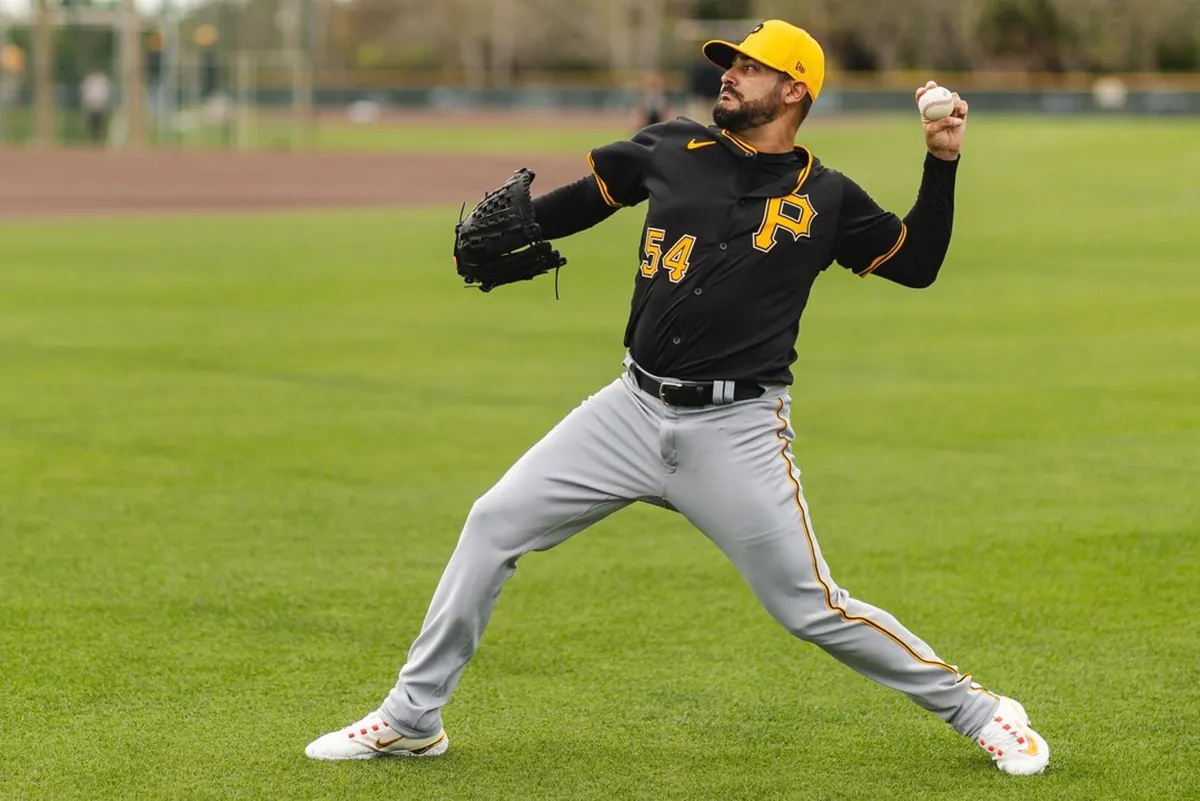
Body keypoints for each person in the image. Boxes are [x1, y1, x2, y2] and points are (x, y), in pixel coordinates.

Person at [305, 19, 1051, 776]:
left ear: (795, 90)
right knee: (492, 522)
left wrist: (943, 160)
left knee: (810, 605)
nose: (728, 74)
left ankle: (981, 711)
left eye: (750, 67)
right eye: (727, 63)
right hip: (628, 411)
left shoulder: (828, 198)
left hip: (738, 432)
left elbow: (916, 263)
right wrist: (516, 228)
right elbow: (584, 201)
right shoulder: (671, 147)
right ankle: (411, 717)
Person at [80, 69, 112, 146]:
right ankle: (92, 139)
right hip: (91, 105)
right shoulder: (90, 80)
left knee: (100, 124)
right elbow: (86, 92)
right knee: (92, 124)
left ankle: (100, 139)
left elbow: (106, 92)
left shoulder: (102, 80)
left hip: (101, 105)